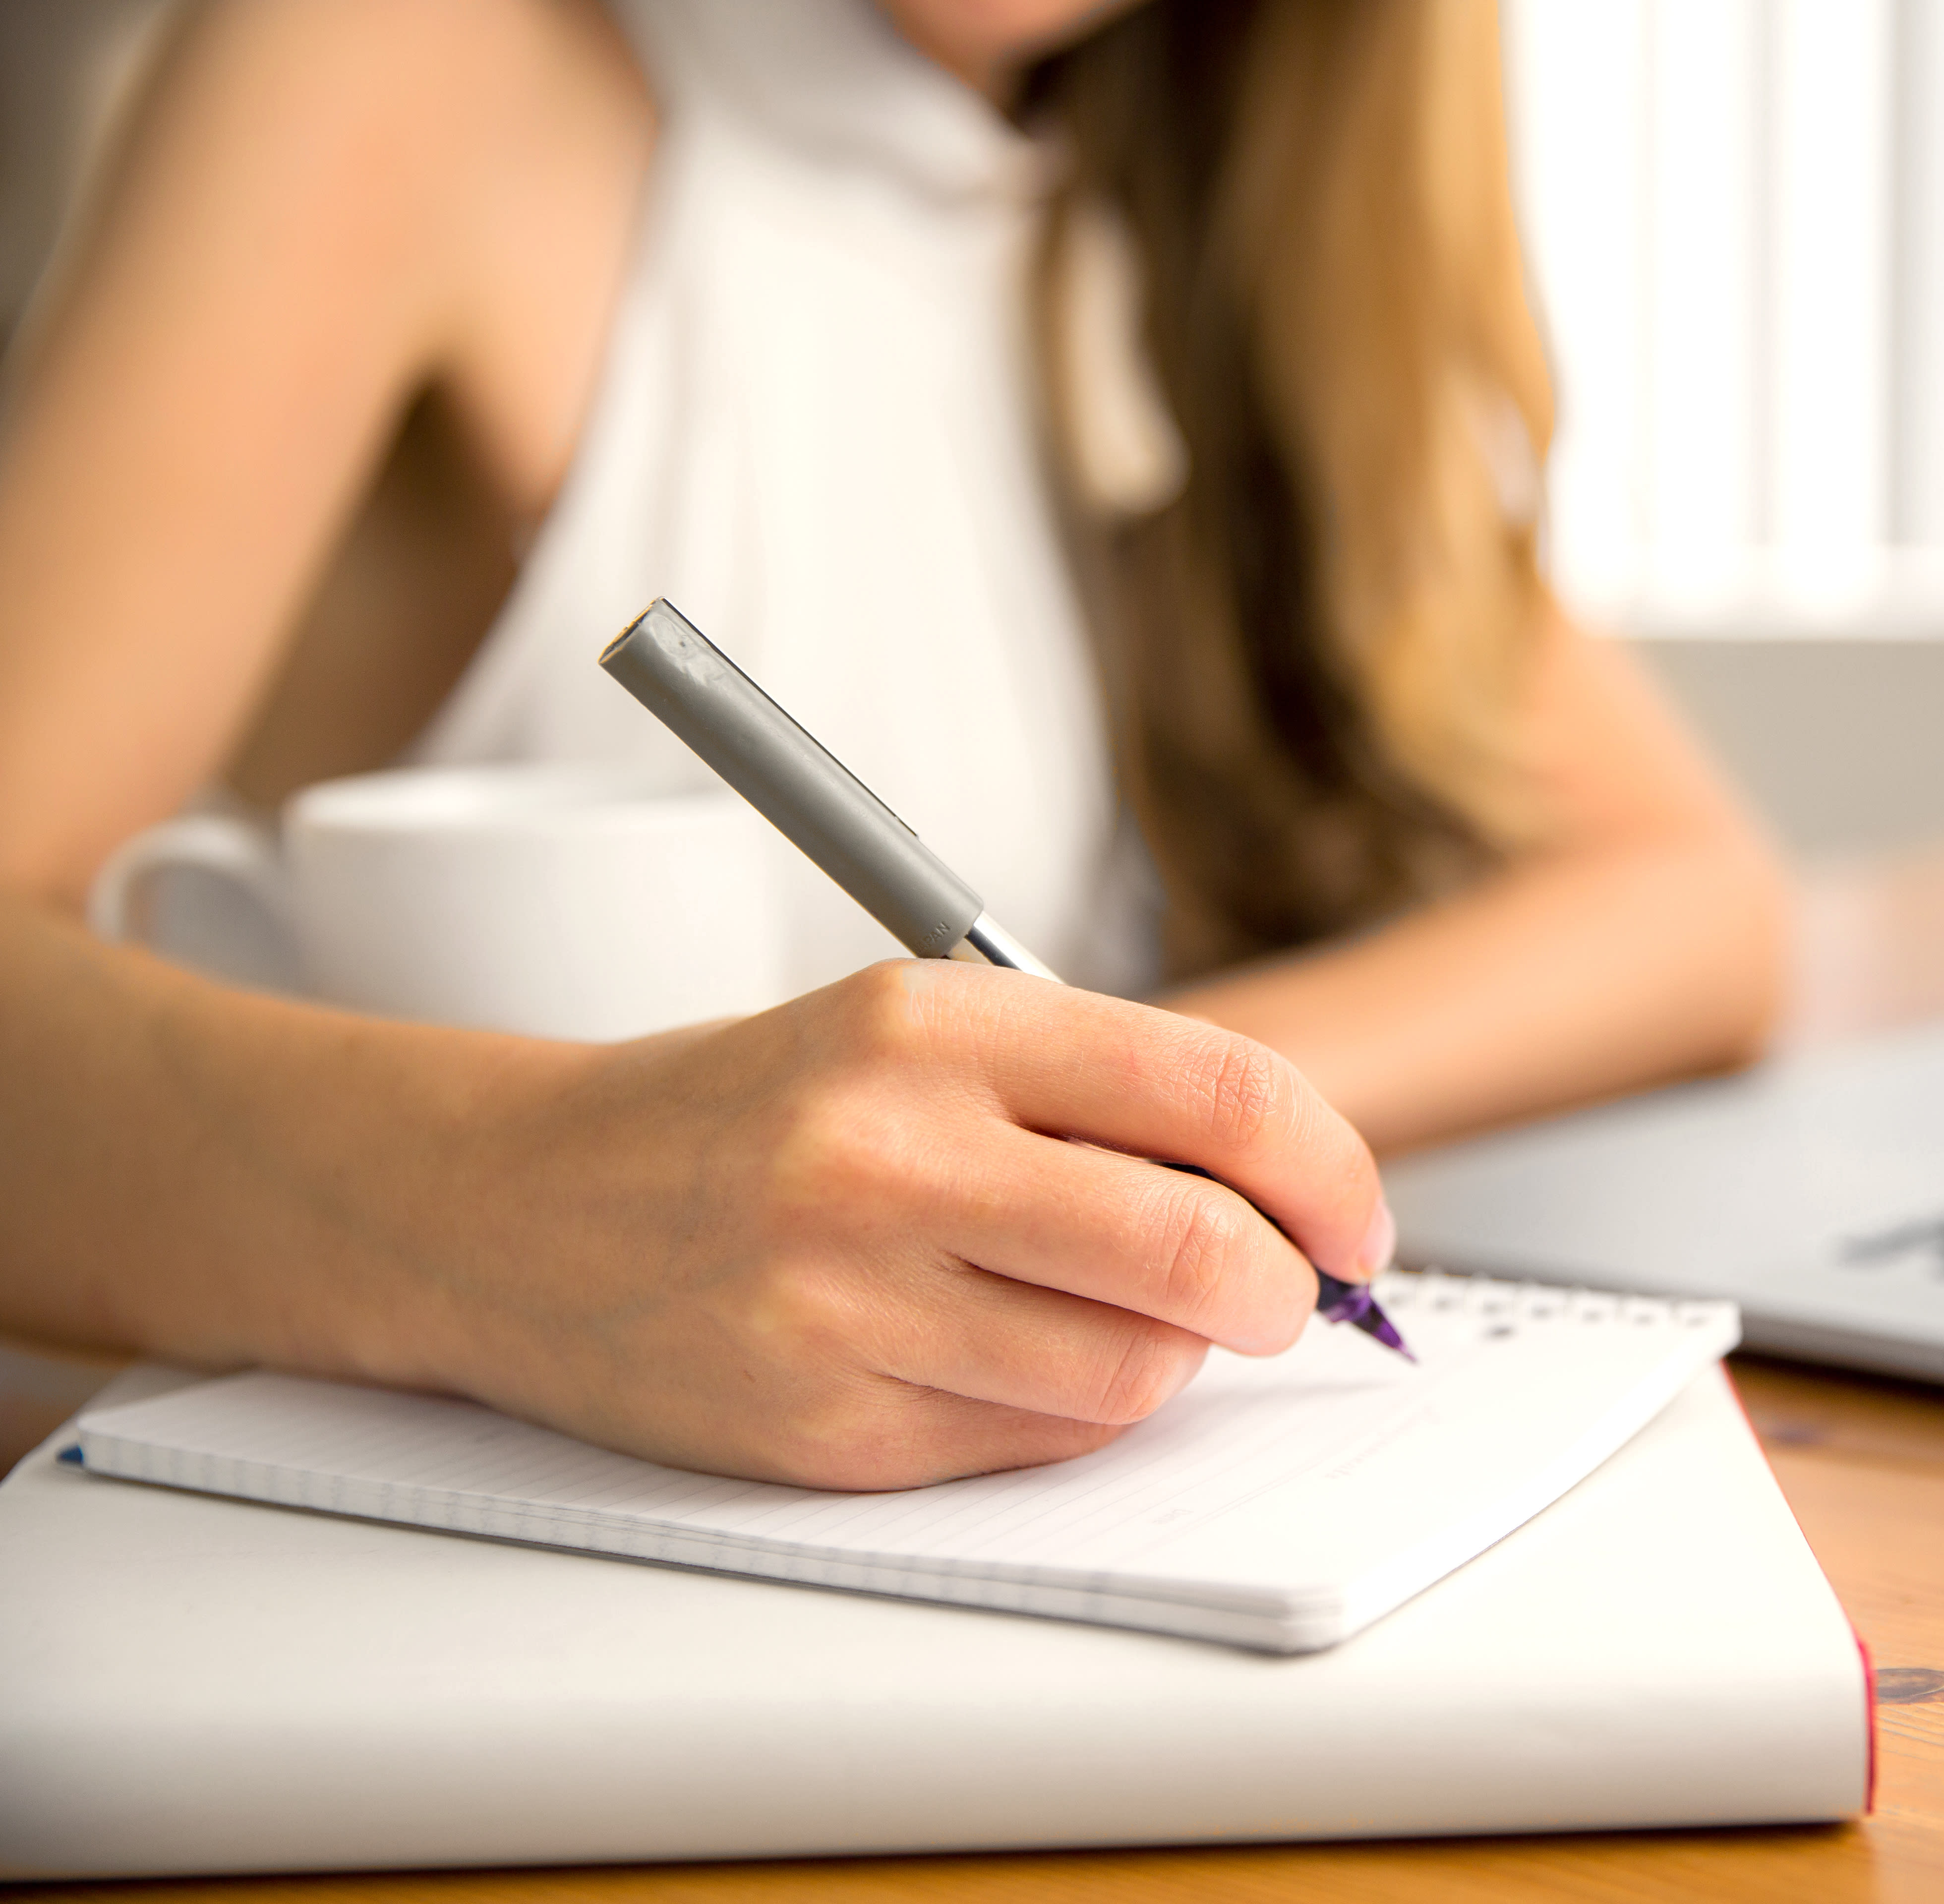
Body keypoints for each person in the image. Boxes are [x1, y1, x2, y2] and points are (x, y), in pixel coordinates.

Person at [0, 0, 1784, 1488]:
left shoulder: (1180, 198)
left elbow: (1700, 900)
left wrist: (1137, 1120)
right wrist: (537, 1206)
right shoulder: (400, 59)